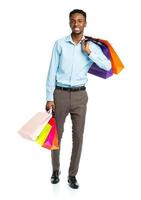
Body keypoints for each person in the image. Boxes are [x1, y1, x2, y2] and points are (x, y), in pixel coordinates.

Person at [45, 9, 111, 189]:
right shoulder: (59, 44)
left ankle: (72, 175)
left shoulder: (92, 46)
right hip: (60, 94)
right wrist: (49, 97)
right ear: (69, 22)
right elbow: (51, 71)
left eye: (80, 21)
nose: (76, 23)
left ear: (85, 23)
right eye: (73, 20)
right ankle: (55, 170)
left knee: (78, 136)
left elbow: (107, 65)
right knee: (56, 135)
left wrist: (89, 52)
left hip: (81, 96)